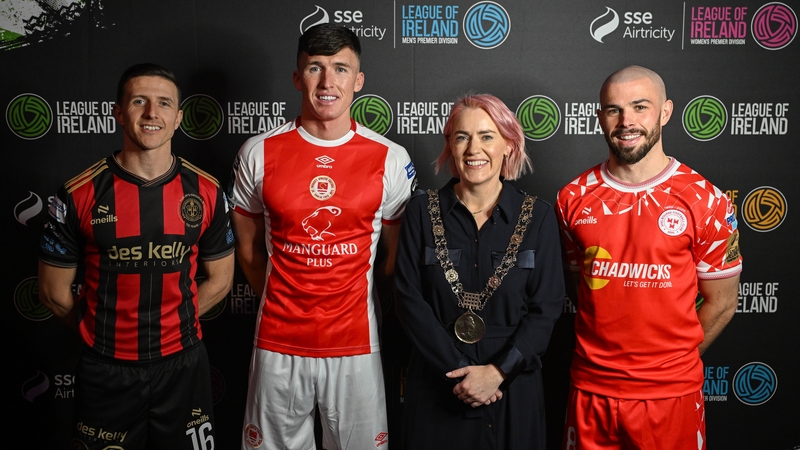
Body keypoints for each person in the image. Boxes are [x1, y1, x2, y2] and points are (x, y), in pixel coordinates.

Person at [230, 23, 416, 449]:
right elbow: (248, 249)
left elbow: (393, 260)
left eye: (341, 69)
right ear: (298, 78)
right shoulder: (258, 151)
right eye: (315, 68)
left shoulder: (390, 158)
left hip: (356, 343)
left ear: (358, 80)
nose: (328, 82)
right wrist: (288, 299)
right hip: (278, 342)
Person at [38, 63, 235, 450]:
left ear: (178, 118)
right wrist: (105, 332)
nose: (151, 113)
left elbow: (222, 280)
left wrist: (172, 325)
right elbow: (52, 293)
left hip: (183, 367)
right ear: (118, 112)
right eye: (139, 101)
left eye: (164, 103)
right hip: (106, 371)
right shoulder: (78, 194)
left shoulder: (208, 191)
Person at [556, 65, 742, 449]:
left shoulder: (706, 200)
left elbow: (722, 303)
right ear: (600, 116)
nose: (626, 121)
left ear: (666, 112)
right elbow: (581, 289)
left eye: (640, 107)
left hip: (670, 396)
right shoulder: (572, 197)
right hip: (591, 389)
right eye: (614, 109)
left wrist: (668, 365)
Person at [394, 94, 565, 449]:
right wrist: (461, 373)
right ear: (450, 146)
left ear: (508, 144)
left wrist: (498, 372)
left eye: (487, 136)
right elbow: (408, 300)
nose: (474, 149)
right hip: (437, 382)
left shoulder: (538, 216)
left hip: (512, 389)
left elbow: (547, 308)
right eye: (462, 137)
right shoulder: (420, 212)